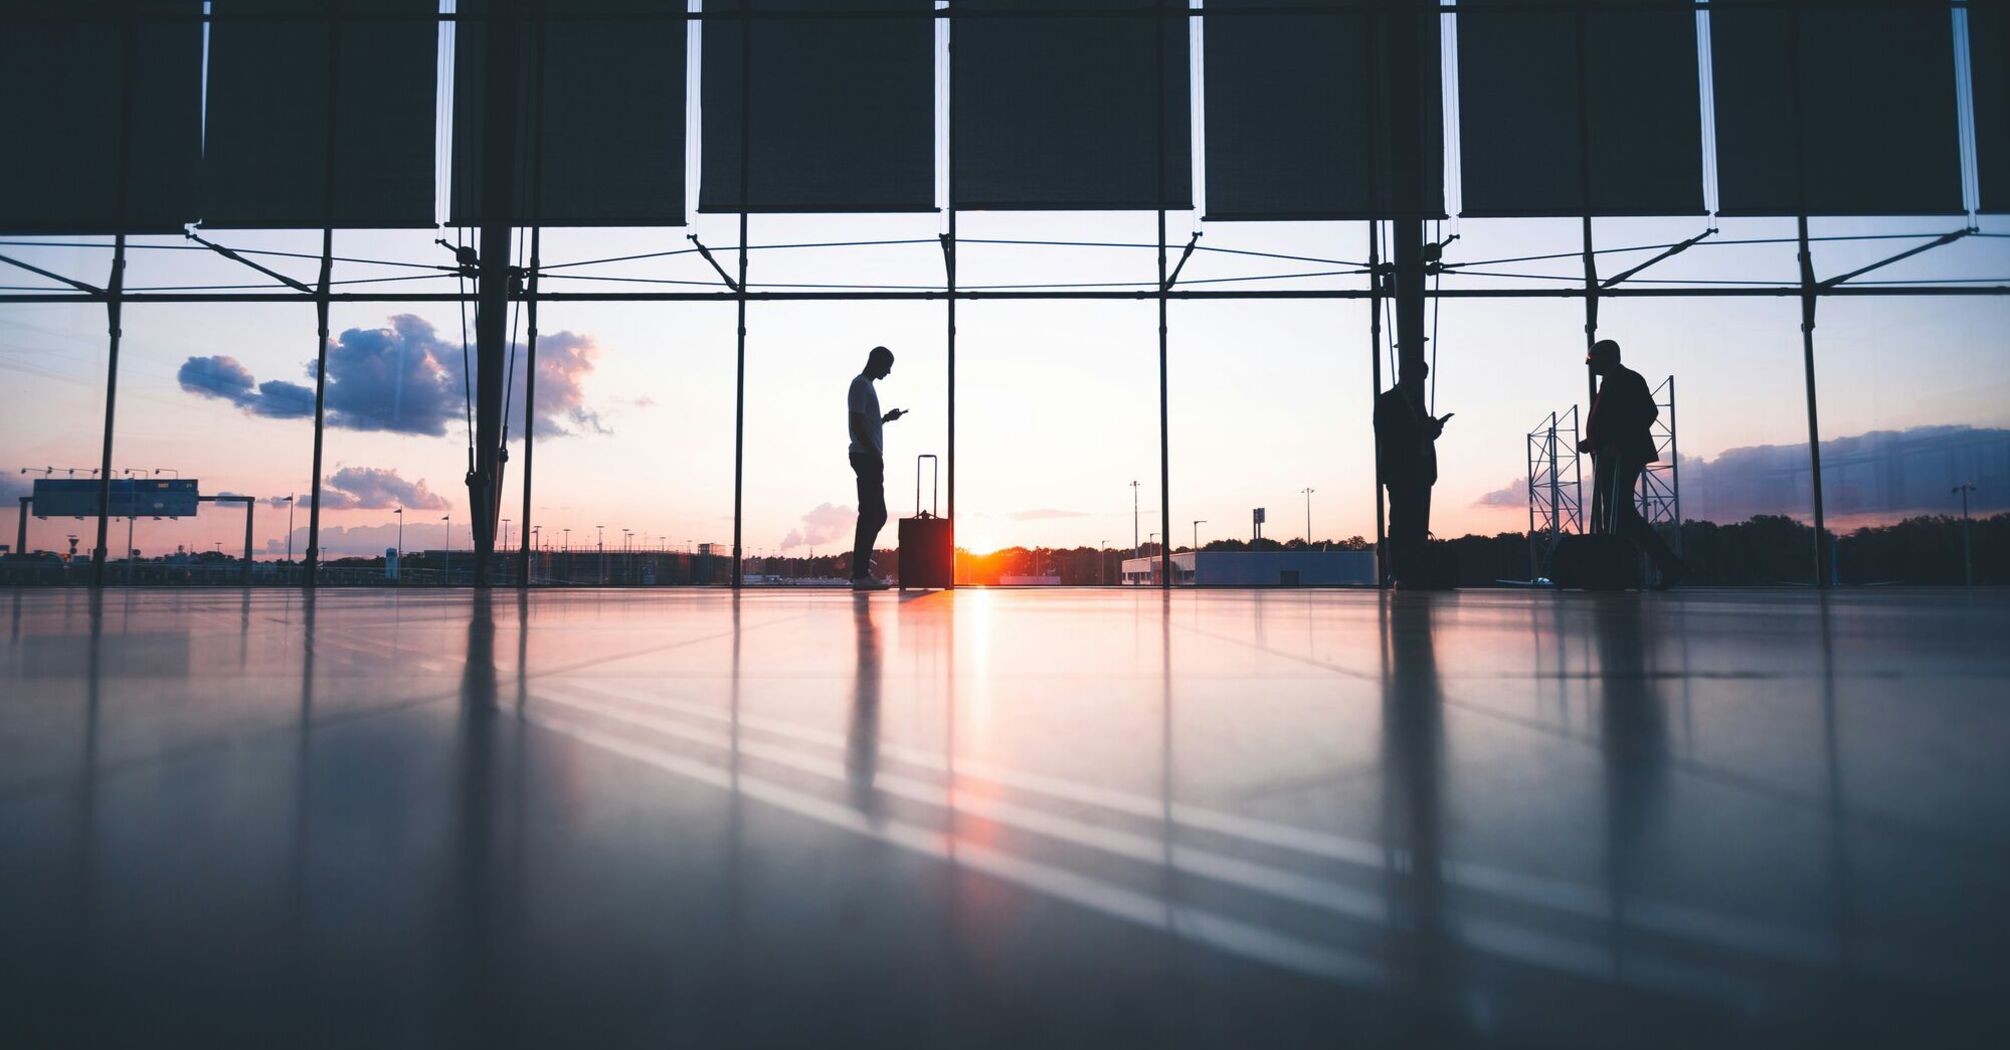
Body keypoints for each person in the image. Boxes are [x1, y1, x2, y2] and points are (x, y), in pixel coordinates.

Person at [1580, 338, 1687, 588]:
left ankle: (1656, 565)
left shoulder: (1628, 379)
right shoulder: (1610, 382)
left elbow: (1647, 412)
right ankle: (1638, 566)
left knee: (1620, 512)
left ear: (1607, 358)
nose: (1590, 366)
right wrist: (1593, 441)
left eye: (1593, 361)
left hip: (1624, 455)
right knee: (1618, 512)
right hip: (1610, 455)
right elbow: (1616, 418)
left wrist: (1618, 443)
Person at [1375, 358, 1451, 588]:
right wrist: (1422, 431)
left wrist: (1430, 431)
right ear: (1407, 375)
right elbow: (1386, 434)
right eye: (1420, 378)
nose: (1421, 382)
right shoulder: (1387, 401)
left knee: (1412, 523)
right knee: (1401, 523)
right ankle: (1400, 573)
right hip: (1401, 472)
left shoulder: (1412, 402)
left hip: (1417, 471)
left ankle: (1409, 572)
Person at [847, 346, 906, 590]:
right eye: (887, 365)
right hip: (866, 456)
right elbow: (857, 422)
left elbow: (865, 422)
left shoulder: (866, 386)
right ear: (876, 361)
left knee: (876, 515)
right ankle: (860, 572)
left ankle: (861, 567)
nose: (889, 371)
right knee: (870, 514)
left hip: (869, 455)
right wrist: (872, 449)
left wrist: (884, 420)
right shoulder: (861, 385)